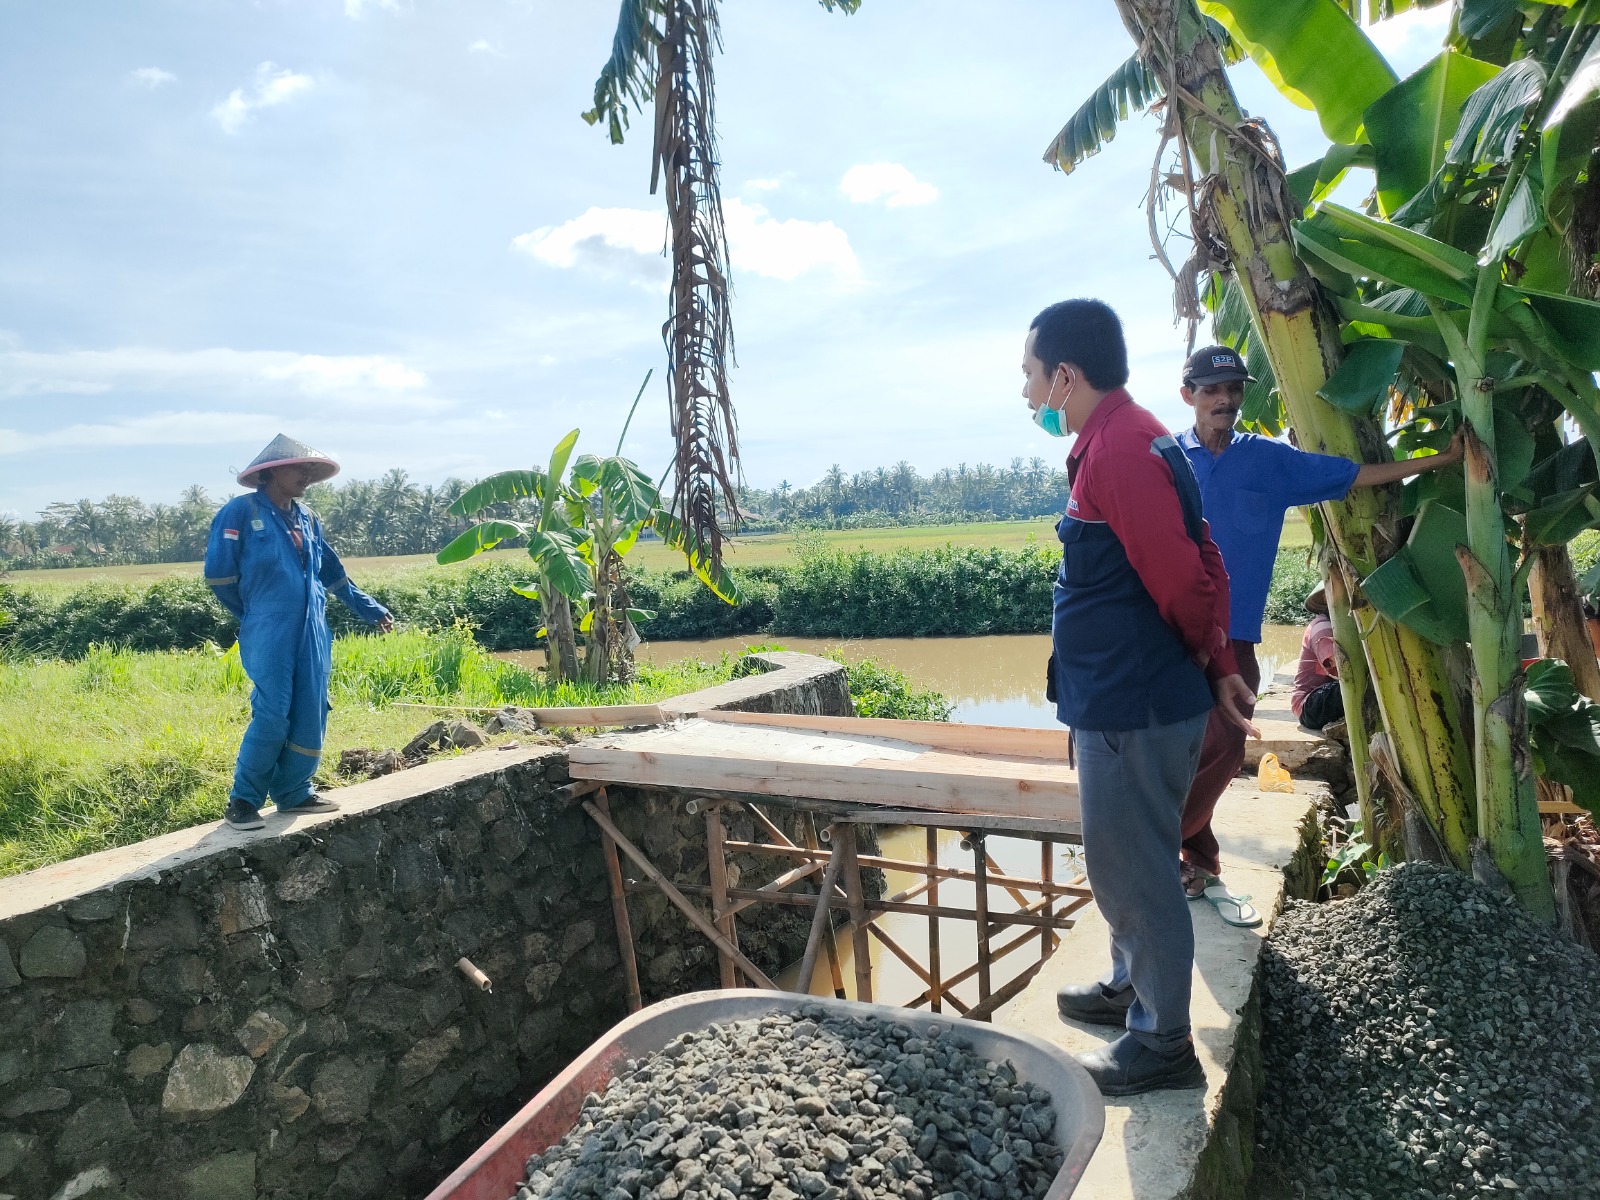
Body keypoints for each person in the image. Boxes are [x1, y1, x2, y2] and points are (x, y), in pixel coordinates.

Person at [1026, 300, 1257, 1097]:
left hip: (1135, 702)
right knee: (1124, 862)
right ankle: (1131, 983)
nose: (1028, 394)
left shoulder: (1122, 450)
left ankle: (1161, 1041)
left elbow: (1185, 579)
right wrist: (1217, 659)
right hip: (1122, 696)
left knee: (1137, 870)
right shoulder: (1128, 436)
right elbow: (1205, 551)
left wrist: (1203, 652)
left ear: (1066, 376)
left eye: (1031, 376)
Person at [1174, 345, 1461, 903]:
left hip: (1236, 635)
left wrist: (1439, 460)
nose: (1225, 399)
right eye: (1212, 390)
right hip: (1174, 631)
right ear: (1189, 395)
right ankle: (1196, 858)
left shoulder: (1266, 460)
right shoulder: (1167, 459)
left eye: (1233, 389)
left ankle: (1165, 842)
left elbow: (1352, 476)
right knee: (1177, 748)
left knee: (1226, 746)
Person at [205, 434, 393, 831]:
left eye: (310, 469)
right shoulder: (240, 512)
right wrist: (255, 613)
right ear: (272, 472)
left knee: (312, 708)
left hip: (313, 628)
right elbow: (220, 576)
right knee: (273, 712)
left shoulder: (307, 518)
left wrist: (369, 608)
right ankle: (243, 800)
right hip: (268, 628)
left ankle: (294, 792)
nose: (307, 475)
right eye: (299, 468)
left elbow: (332, 572)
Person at [1292, 584, 1344, 731]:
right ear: (1326, 597)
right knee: (1357, 685)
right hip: (1309, 706)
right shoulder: (1322, 627)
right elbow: (1344, 670)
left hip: (1320, 699)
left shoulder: (1338, 627)